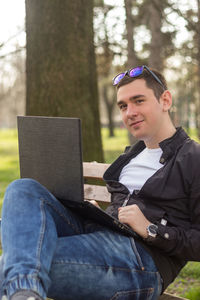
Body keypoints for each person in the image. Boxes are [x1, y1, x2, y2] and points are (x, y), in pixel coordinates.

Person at [1, 65, 200, 300]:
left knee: (16, 262)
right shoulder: (130, 158)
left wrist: (151, 230)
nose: (129, 112)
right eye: (123, 106)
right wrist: (99, 214)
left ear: (165, 100)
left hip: (143, 261)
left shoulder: (192, 158)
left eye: (138, 101)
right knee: (23, 188)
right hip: (102, 237)